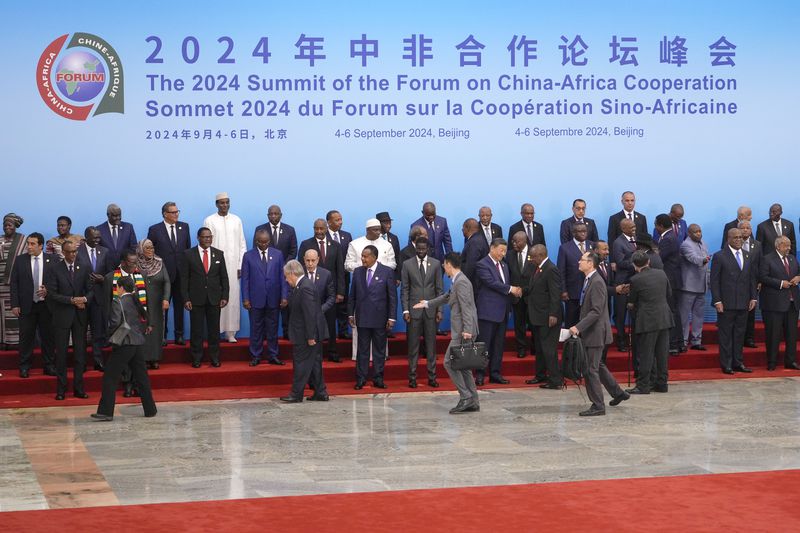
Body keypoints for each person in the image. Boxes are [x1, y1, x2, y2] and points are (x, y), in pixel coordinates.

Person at [414, 252, 480, 414]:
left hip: (464, 331)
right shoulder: (457, 280)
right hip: (464, 330)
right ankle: (473, 399)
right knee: (463, 366)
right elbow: (447, 297)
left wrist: (467, 331)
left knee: (449, 363)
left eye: (444, 265)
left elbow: (467, 307)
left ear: (449, 264)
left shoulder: (461, 282)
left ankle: (465, 397)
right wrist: (428, 303)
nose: (444, 267)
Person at [569, 252, 629, 416]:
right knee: (598, 365)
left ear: (590, 263)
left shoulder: (596, 282)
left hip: (595, 333)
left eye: (581, 260)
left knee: (590, 369)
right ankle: (618, 393)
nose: (579, 262)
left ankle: (598, 405)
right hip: (592, 332)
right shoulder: (589, 280)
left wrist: (578, 327)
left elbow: (596, 311)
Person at [91, 275, 157, 421]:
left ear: (120, 287)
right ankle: (150, 409)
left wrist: (108, 335)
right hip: (137, 342)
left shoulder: (118, 301)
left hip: (125, 344)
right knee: (142, 377)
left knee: (109, 376)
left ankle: (106, 412)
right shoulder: (135, 300)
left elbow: (115, 322)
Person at [46, 240, 92, 400]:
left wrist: (84, 299)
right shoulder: (54, 269)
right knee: (62, 355)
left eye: (75, 252)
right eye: (70, 252)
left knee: (80, 355)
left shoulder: (84, 266)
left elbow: (91, 289)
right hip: (62, 316)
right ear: (63, 253)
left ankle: (79, 389)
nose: (73, 255)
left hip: (80, 317)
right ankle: (61, 389)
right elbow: (52, 293)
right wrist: (72, 300)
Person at [280, 260, 329, 403]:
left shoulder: (305, 287)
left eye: (286, 276)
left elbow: (310, 314)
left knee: (300, 363)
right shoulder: (302, 285)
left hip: (306, 335)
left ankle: (296, 394)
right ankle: (320, 392)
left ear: (292, 274)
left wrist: (310, 336)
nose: (286, 279)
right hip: (308, 333)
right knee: (314, 363)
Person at [710, 229, 757, 374]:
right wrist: (717, 300)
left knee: (739, 334)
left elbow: (751, 278)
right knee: (725, 335)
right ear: (728, 238)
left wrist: (753, 297)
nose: (739, 240)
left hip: (743, 303)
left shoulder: (748, 255)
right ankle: (727, 364)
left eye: (740, 237)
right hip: (726, 303)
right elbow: (714, 280)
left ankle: (738, 362)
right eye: (735, 237)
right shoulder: (719, 256)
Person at [181, 227, 229, 368]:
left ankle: (214, 357)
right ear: (198, 238)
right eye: (205, 237)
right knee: (197, 331)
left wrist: (225, 295)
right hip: (195, 299)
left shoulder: (219, 254)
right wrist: (186, 298)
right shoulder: (188, 254)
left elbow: (224, 278)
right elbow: (184, 279)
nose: (208, 239)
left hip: (215, 299)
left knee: (214, 331)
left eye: (210, 236)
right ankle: (196, 358)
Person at [102, 249, 148, 397]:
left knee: (138, 361)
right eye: (132, 262)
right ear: (122, 263)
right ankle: (127, 384)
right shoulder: (110, 278)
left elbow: (147, 301)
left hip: (137, 325)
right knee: (123, 360)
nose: (135, 265)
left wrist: (149, 322)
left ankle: (137, 386)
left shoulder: (141, 276)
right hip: (120, 326)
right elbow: (106, 305)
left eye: (136, 262)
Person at [626, 251, 673, 394]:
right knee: (662, 353)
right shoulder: (661, 274)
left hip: (647, 320)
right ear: (648, 261)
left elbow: (631, 303)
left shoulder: (635, 280)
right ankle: (662, 383)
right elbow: (669, 294)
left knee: (646, 353)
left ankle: (643, 385)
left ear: (634, 265)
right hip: (664, 317)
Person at [349, 245, 396, 389]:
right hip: (362, 317)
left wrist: (391, 317)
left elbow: (392, 297)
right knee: (362, 350)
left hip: (380, 318)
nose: (362, 259)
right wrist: (351, 313)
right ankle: (361, 378)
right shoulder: (357, 272)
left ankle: (378, 378)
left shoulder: (387, 271)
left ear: (374, 257)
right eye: (362, 256)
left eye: (365, 256)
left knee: (379, 350)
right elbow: (352, 296)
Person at [475, 238, 521, 385]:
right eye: (501, 250)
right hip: (487, 312)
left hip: (502, 312)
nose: (503, 253)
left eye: (505, 251)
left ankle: (495, 373)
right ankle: (480, 374)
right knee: (484, 344)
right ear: (492, 248)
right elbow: (490, 283)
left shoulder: (504, 266)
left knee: (498, 345)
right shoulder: (482, 264)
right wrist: (510, 289)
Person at [298, 219, 345, 361]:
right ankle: (313, 352)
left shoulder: (336, 245)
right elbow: (301, 268)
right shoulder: (306, 244)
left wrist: (340, 291)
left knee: (330, 323)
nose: (319, 231)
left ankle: (332, 351)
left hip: (329, 293)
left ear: (327, 228)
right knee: (310, 323)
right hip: (309, 291)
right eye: (316, 228)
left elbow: (340, 270)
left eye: (321, 228)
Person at [10, 233, 56, 377]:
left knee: (48, 337)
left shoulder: (52, 260)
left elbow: (58, 281)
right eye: (28, 243)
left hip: (46, 306)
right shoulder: (20, 260)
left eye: (32, 244)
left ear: (40, 245)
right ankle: (24, 366)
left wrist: (48, 290)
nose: (28, 246)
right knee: (26, 337)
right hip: (26, 305)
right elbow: (14, 283)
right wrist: (15, 304)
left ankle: (49, 365)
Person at [204, 193, 247, 343]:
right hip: (215, 267)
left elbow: (242, 243)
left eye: (227, 202)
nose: (224, 205)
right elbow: (206, 244)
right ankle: (216, 330)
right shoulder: (209, 220)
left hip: (234, 266)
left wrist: (241, 264)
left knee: (233, 298)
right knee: (216, 297)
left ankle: (231, 333)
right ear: (216, 204)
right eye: (221, 203)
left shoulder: (236, 220)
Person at [241, 229, 288, 366]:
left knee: (273, 329)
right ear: (256, 241)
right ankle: (256, 355)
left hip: (274, 299)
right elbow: (245, 279)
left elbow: (283, 277)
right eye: (261, 242)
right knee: (256, 329)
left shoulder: (278, 254)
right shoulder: (248, 256)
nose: (264, 244)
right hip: (255, 300)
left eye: (266, 242)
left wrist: (284, 296)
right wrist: (245, 298)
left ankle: (273, 355)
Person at [401, 237, 443, 388]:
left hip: (431, 312)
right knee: (413, 347)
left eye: (423, 249)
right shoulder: (407, 264)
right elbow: (404, 289)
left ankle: (432, 377)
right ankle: (412, 377)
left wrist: (440, 309)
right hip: (413, 312)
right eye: (418, 249)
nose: (420, 251)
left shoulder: (436, 264)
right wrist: (405, 309)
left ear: (428, 249)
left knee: (431, 347)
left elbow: (439, 289)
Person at [147, 201, 191, 346]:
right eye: (173, 212)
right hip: (162, 274)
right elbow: (150, 253)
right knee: (162, 306)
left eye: (178, 211)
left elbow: (187, 250)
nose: (176, 214)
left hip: (180, 274)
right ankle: (162, 335)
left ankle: (179, 335)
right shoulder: (154, 229)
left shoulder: (184, 227)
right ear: (165, 214)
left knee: (180, 305)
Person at [253, 205, 297, 339]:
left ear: (281, 215)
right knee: (267, 303)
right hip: (265, 274)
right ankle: (265, 334)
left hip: (285, 273)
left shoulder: (290, 230)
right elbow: (256, 252)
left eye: (276, 214)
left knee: (285, 304)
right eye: (271, 214)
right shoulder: (260, 229)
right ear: (268, 215)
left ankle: (286, 332)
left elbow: (293, 251)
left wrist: (281, 266)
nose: (273, 216)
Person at [524, 244, 563, 389]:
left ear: (540, 255)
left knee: (548, 349)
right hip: (538, 316)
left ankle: (555, 380)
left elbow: (555, 294)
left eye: (533, 257)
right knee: (540, 348)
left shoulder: (551, 269)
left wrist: (553, 314)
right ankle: (541, 375)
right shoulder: (538, 268)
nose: (531, 259)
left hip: (548, 317)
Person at [758, 235, 800, 371]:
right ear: (777, 245)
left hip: (792, 304)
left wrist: (798, 277)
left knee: (792, 335)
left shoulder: (793, 258)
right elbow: (763, 277)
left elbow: (798, 272)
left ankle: (791, 361)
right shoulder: (767, 259)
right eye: (786, 245)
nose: (789, 248)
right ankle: (772, 362)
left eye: (789, 245)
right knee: (773, 335)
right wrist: (781, 283)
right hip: (773, 305)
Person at [78, 226, 111, 371]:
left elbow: (111, 273)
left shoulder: (105, 251)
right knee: (81, 333)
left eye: (99, 237)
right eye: (94, 237)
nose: (98, 240)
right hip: (82, 297)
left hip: (99, 298)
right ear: (86, 237)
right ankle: (82, 362)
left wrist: (103, 279)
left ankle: (98, 361)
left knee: (98, 333)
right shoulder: (77, 251)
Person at [137, 239, 170, 369]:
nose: (151, 250)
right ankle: (143, 358)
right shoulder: (135, 263)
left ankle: (155, 358)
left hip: (157, 303)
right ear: (141, 250)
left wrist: (166, 298)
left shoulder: (159, 262)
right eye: (147, 248)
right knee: (143, 329)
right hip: (140, 303)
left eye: (152, 247)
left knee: (155, 330)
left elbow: (167, 281)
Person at [653, 213, 684, 355]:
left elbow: (659, 259)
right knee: (674, 311)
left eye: (655, 224)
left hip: (670, 281)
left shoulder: (667, 239)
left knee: (671, 312)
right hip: (674, 280)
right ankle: (679, 343)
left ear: (659, 225)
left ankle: (673, 344)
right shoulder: (671, 236)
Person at [679, 224, 710, 350]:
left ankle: (697, 341)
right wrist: (704, 259)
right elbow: (694, 258)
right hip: (688, 286)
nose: (698, 233)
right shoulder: (685, 245)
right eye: (695, 232)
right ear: (689, 233)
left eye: (700, 231)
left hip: (702, 285)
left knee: (699, 315)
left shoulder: (703, 243)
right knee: (684, 316)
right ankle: (683, 341)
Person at [302, 249, 336, 361]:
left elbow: (331, 297)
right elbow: (291, 294)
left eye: (313, 260)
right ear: (304, 260)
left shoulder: (326, 274)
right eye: (308, 260)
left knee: (317, 353)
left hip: (319, 317)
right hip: (302, 317)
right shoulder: (299, 273)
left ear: (318, 260)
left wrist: (320, 310)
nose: (310, 264)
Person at [558, 223, 593, 328]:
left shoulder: (592, 245)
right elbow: (561, 271)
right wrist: (563, 290)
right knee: (572, 321)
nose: (583, 233)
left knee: (587, 321)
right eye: (580, 231)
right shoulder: (564, 248)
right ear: (573, 233)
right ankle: (571, 344)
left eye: (585, 231)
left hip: (590, 290)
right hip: (573, 292)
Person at [611, 218, 638, 351]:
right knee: (620, 315)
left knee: (635, 314)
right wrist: (638, 264)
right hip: (622, 282)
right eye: (631, 227)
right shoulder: (618, 242)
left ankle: (635, 341)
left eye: (634, 227)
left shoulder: (636, 239)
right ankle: (621, 342)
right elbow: (620, 262)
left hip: (635, 282)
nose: (634, 229)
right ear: (623, 229)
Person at [1, 213, 27, 350]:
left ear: (15, 226)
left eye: (10, 225)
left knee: (13, 313)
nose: (7, 227)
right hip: (0, 286)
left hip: (15, 284)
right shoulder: (0, 240)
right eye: (4, 225)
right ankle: (2, 341)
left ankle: (13, 342)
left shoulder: (23, 241)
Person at [326, 210, 353, 339]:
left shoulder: (347, 236)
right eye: (337, 220)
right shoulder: (322, 235)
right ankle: (327, 332)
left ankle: (343, 330)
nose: (340, 222)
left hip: (343, 277)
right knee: (327, 305)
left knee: (343, 306)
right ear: (329, 222)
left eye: (341, 219)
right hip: (327, 277)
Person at [508, 231, 534, 358]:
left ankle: (535, 347)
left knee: (534, 323)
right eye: (513, 241)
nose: (513, 243)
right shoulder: (509, 255)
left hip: (532, 295)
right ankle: (521, 348)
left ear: (524, 241)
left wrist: (526, 289)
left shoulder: (534, 253)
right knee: (519, 324)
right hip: (516, 297)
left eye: (516, 241)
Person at [739, 220, 762, 348]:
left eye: (748, 228)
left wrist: (759, 281)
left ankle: (749, 338)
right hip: (737, 284)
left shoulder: (757, 245)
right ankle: (739, 338)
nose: (745, 230)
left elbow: (761, 264)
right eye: (743, 228)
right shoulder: (733, 243)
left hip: (752, 283)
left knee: (751, 311)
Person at [98, 204, 138, 268]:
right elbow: (98, 251)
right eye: (115, 216)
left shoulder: (128, 227)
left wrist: (125, 262)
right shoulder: (99, 229)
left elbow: (133, 247)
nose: (118, 218)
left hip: (124, 267)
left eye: (119, 215)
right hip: (106, 269)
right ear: (108, 215)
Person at [461, 218, 488, 289]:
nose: (462, 230)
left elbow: (471, 264)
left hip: (475, 282)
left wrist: (463, 281)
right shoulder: (479, 238)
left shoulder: (474, 242)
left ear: (467, 228)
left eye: (463, 228)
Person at [376, 212, 402, 281]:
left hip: (391, 276)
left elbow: (397, 258)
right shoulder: (373, 238)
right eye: (386, 223)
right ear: (378, 224)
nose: (389, 225)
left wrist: (398, 277)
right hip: (377, 276)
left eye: (390, 223)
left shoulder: (394, 238)